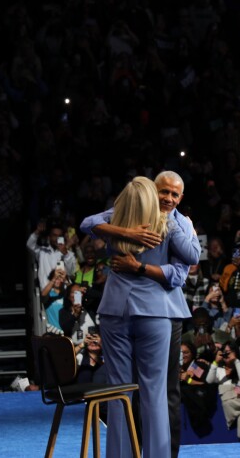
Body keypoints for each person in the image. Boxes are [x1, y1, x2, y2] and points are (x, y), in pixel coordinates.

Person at [80, 170, 195, 458]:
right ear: (152, 191)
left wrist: (131, 247)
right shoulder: (139, 219)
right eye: (163, 192)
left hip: (118, 309)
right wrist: (128, 232)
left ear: (181, 198)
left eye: (174, 194)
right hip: (154, 312)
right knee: (151, 392)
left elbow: (184, 267)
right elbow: (192, 256)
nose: (168, 198)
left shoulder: (123, 215)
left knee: (120, 390)